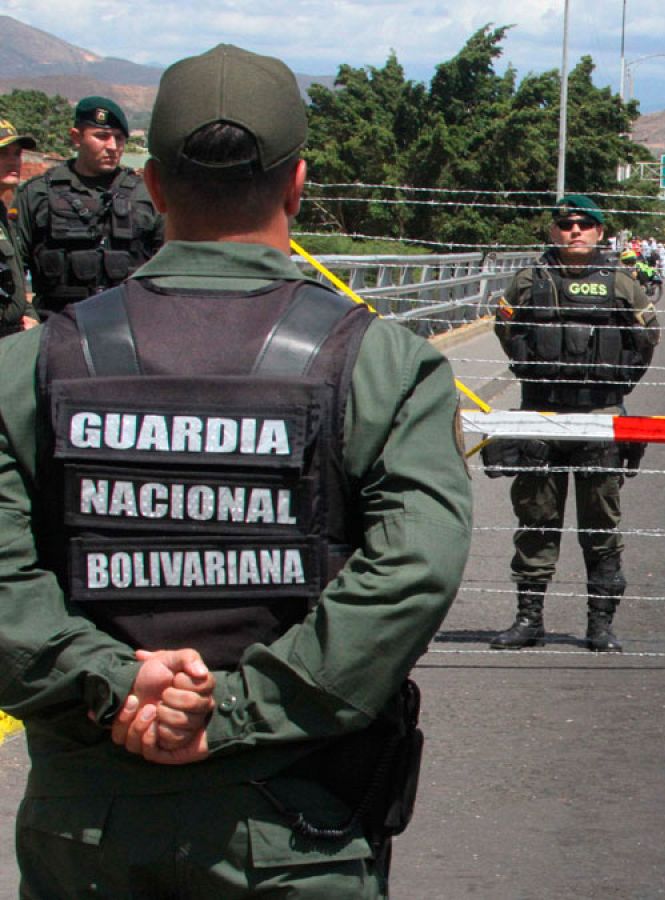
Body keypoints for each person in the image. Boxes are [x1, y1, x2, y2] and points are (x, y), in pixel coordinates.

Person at [0, 45, 472, 896]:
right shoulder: (380, 364)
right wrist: (240, 709)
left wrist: (117, 682)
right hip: (295, 824)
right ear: (297, 184)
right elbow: (415, 567)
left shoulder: (33, 367)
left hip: (89, 828)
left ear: (151, 188)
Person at [489, 194, 659, 652]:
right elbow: (507, 331)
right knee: (536, 521)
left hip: (599, 419)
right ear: (554, 232)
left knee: (600, 526)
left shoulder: (622, 283)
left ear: (600, 232)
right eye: (566, 225)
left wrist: (610, 388)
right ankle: (529, 621)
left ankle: (599, 625)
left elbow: (645, 338)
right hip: (542, 416)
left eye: (585, 224)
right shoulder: (529, 280)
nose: (575, 231)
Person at [14, 96, 164, 316]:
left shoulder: (146, 195)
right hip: (56, 328)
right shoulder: (37, 194)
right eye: (101, 137)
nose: (112, 146)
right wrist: (27, 315)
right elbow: (15, 267)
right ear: (76, 137)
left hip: (129, 325)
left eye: (119, 138)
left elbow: (169, 263)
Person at [0, 119, 38, 336]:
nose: (13, 161)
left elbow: (18, 281)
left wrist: (30, 316)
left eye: (17, 154)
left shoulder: (4, 214)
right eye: (3, 153)